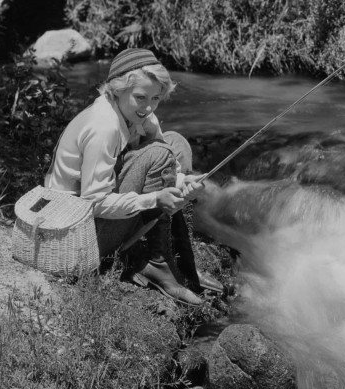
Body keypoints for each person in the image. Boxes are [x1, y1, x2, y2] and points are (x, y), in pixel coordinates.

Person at [44, 47, 222, 305]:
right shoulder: (103, 127)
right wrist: (155, 200)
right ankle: (154, 261)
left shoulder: (138, 115)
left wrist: (184, 185)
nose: (149, 107)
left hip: (97, 222)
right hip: (76, 239)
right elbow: (93, 203)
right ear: (117, 88)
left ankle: (178, 260)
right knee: (161, 153)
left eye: (156, 98)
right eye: (141, 97)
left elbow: (167, 170)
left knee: (176, 143)